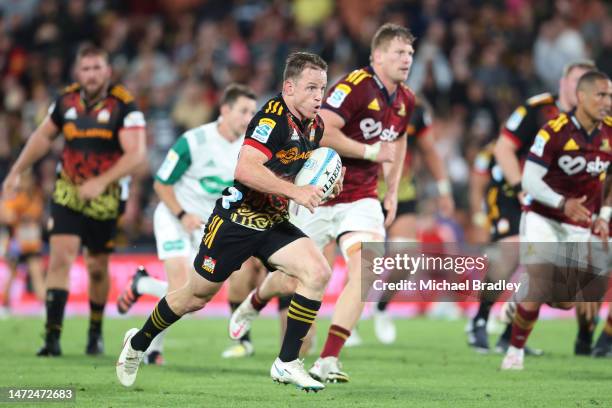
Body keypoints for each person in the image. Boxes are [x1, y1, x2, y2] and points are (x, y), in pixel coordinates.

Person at [116, 51, 339, 392]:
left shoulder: (315, 124)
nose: (318, 97)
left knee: (318, 271)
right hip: (235, 220)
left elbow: (306, 168)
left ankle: (287, 362)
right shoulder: (272, 119)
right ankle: (139, 341)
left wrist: (329, 180)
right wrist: (295, 193)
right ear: (289, 87)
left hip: (272, 221)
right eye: (311, 88)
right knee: (194, 296)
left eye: (321, 89)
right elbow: (245, 170)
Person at [229, 23, 416, 383]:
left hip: (360, 197)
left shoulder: (406, 99)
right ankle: (255, 301)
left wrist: (390, 189)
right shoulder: (355, 87)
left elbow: (399, 141)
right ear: (377, 56)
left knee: (367, 270)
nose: (406, 59)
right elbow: (325, 129)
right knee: (287, 280)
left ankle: (329, 359)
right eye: (398, 52)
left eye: (409, 53)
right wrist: (368, 150)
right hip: (317, 193)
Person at [1, 43, 146, 356]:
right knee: (60, 258)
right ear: (78, 72)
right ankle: (52, 338)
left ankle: (95, 332)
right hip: (68, 189)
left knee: (96, 266)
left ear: (108, 71)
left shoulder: (124, 105)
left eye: (97, 68)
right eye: (86, 68)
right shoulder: (64, 101)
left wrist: (101, 182)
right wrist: (16, 170)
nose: (92, 75)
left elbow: (137, 154)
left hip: (106, 195)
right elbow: (42, 137)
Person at [115, 84, 258, 364]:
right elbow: (161, 183)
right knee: (180, 286)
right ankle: (152, 350)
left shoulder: (249, 148)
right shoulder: (193, 141)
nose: (248, 118)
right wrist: (182, 215)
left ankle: (142, 283)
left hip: (208, 227)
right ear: (224, 110)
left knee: (191, 302)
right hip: (174, 217)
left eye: (252, 112)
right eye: (243, 111)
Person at [466, 60, 596, 354]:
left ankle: (511, 335)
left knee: (556, 283)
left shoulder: (595, 125)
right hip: (517, 196)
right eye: (576, 81)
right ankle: (480, 321)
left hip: (561, 206)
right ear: (562, 82)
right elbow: (503, 148)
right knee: (509, 253)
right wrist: (522, 189)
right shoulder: (537, 109)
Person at [501, 71, 612, 370]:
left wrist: (603, 215)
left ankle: (525, 291)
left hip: (577, 224)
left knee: (564, 301)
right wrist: (562, 202)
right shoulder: (554, 131)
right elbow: (529, 179)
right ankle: (515, 352)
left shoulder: (610, 133)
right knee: (540, 282)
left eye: (610, 96)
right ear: (582, 97)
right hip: (543, 216)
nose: (607, 102)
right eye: (601, 95)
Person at [371, 95, 454, 345]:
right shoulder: (363, 103)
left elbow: (429, 152)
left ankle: (381, 308)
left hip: (402, 193)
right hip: (365, 192)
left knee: (406, 261)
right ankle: (346, 323)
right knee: (361, 260)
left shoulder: (416, 111)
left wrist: (444, 189)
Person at [0, 169, 46, 313]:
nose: (26, 183)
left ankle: (44, 304)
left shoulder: (36, 196)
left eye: (28, 180)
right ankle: (5, 304)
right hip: (16, 243)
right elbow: (6, 215)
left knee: (36, 272)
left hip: (31, 243)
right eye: (24, 180)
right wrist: (19, 217)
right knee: (12, 273)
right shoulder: (13, 197)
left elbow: (38, 215)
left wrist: (24, 216)